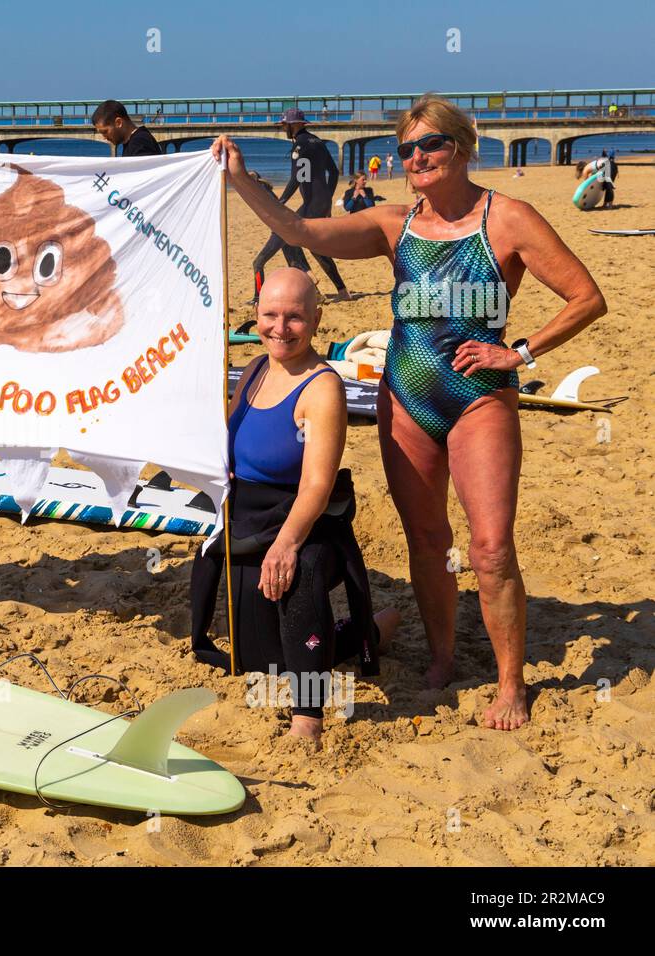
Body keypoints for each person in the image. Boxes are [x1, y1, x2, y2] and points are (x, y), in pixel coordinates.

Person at [211, 95, 607, 730]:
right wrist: (240, 181)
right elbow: (299, 233)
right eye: (406, 149)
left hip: (480, 400)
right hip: (405, 398)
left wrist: (521, 352)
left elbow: (587, 297)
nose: (416, 158)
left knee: (491, 548)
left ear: (463, 147)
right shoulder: (396, 225)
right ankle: (444, 657)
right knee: (427, 541)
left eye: (430, 145)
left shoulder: (508, 219)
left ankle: (511, 684)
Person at [191, 268, 399, 746]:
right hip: (247, 516)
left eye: (295, 317)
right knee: (267, 660)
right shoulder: (254, 369)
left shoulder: (322, 387)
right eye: (269, 315)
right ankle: (369, 631)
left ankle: (308, 718)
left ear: (317, 319)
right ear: (255, 316)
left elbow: (317, 486)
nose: (280, 328)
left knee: (300, 572)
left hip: (306, 522)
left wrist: (286, 544)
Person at [255, 109, 351, 303]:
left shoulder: (300, 145)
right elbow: (333, 172)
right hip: (320, 201)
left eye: (284, 125)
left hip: (312, 203)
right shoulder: (317, 142)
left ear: (294, 125)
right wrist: (327, 200)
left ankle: (311, 280)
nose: (283, 129)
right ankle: (341, 290)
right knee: (313, 246)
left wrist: (280, 202)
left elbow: (296, 178)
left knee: (286, 237)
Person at [91, 100, 162, 157]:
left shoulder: (139, 142)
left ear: (118, 122)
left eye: (105, 131)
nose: (104, 137)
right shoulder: (133, 142)